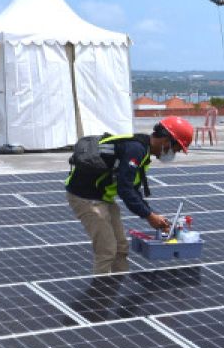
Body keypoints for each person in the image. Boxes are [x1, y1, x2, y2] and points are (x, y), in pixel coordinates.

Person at [65, 117, 193, 274]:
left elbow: (132, 189)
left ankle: (118, 285)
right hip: (85, 198)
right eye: (177, 148)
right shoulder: (136, 150)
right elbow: (124, 190)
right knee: (107, 251)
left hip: (102, 197)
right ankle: (102, 295)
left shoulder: (143, 150)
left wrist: (151, 214)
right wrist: (149, 216)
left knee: (121, 247)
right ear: (166, 140)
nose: (175, 153)